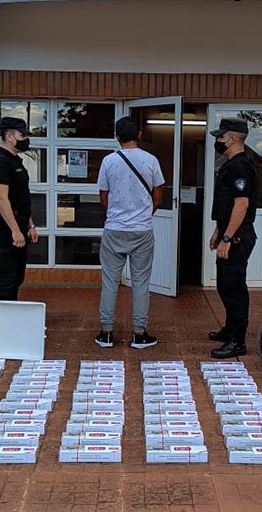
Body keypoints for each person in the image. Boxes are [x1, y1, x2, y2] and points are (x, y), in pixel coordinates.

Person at [94, 116, 166, 349]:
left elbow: (103, 197)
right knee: (141, 283)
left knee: (110, 283)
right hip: (142, 231)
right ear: (139, 135)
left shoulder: (108, 161)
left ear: (117, 137)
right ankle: (139, 333)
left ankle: (106, 333)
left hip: (114, 230)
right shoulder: (151, 160)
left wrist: (117, 214)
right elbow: (157, 197)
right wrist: (143, 215)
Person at [207, 117, 258, 359]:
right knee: (225, 285)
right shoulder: (230, 164)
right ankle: (230, 329)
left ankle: (237, 341)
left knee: (234, 288)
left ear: (233, 138)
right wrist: (219, 230)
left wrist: (227, 238)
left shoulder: (240, 167)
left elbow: (242, 205)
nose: (218, 140)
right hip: (229, 232)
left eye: (221, 136)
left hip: (238, 237)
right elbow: (227, 206)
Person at [0, 116, 38, 301]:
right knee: (4, 281)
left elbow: (21, 198)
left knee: (16, 278)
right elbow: (1, 199)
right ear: (9, 136)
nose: (26, 139)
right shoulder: (0, 162)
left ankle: (10, 321)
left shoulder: (15, 161)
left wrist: (30, 226)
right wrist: (15, 230)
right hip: (5, 231)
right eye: (22, 135)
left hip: (19, 228)